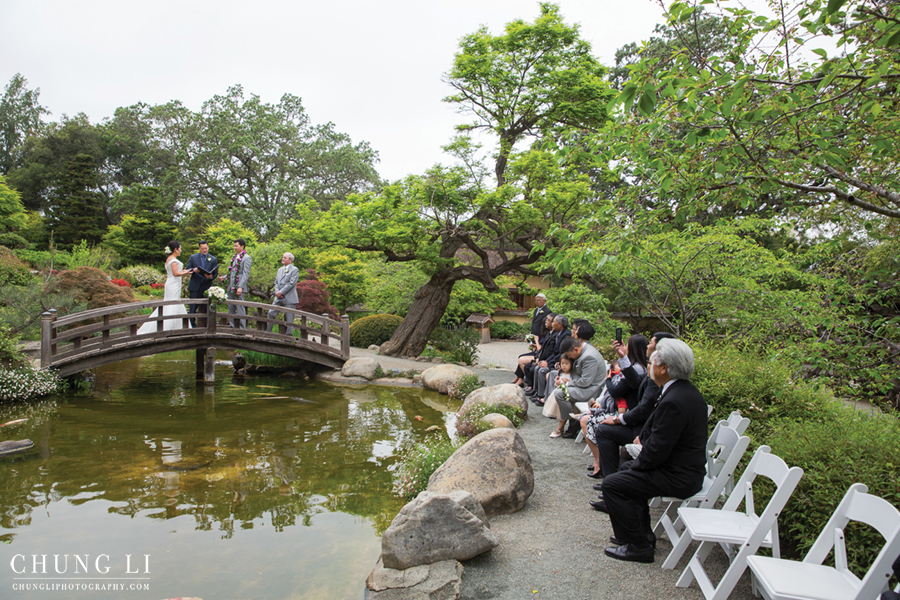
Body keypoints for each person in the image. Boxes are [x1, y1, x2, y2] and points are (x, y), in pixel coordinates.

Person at [598, 339, 709, 564]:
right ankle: (642, 536)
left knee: (613, 484)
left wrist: (635, 467)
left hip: (680, 476)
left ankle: (639, 547)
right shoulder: (681, 391)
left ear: (664, 368)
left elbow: (657, 450)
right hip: (681, 468)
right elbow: (661, 434)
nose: (648, 365)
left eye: (651, 362)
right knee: (627, 471)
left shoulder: (675, 400)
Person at [589, 332, 676, 480]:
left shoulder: (658, 379)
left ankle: (612, 483)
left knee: (604, 430)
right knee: (603, 429)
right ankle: (611, 481)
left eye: (651, 343)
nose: (647, 345)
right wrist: (623, 357)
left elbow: (644, 409)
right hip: (638, 424)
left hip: (641, 428)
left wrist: (618, 419)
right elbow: (636, 382)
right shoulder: (651, 371)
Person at [584, 334, 649, 478]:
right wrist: (622, 357)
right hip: (630, 417)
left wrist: (618, 419)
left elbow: (617, 391)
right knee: (599, 426)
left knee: (595, 423)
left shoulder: (640, 370)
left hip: (635, 423)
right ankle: (608, 478)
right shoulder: (639, 369)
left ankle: (607, 474)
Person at [552, 336, 607, 438]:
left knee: (559, 393)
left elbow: (585, 381)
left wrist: (567, 384)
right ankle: (568, 422)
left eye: (569, 355)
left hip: (591, 390)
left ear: (576, 349)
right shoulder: (583, 351)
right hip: (585, 386)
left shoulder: (589, 356)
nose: (570, 358)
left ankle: (573, 422)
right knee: (559, 389)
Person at [137, 241, 193, 334]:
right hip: (173, 284)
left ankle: (176, 326)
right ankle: (168, 327)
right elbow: (175, 274)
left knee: (173, 302)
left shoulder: (169, 259)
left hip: (172, 283)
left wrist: (183, 271)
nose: (180, 250)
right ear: (175, 249)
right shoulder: (174, 261)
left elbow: (174, 272)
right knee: (172, 303)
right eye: (180, 248)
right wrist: (186, 273)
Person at [512, 293, 552, 386]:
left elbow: (545, 327)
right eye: (537, 300)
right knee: (524, 356)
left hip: (540, 338)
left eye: (540, 300)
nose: (538, 302)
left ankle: (522, 379)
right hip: (535, 338)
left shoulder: (547, 311)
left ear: (544, 301)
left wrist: (539, 341)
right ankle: (519, 377)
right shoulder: (535, 311)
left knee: (524, 358)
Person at [184, 240, 218, 327]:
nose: (204, 250)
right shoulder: (193, 257)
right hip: (195, 285)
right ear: (199, 248)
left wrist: (211, 277)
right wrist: (194, 270)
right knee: (193, 307)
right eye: (202, 248)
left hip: (207, 286)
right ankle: (191, 325)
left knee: (207, 307)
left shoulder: (213, 259)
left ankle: (208, 325)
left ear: (208, 247)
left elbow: (215, 273)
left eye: (206, 248)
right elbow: (188, 269)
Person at [221, 239, 252, 329]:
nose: (234, 248)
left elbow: (246, 274)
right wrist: (224, 277)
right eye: (234, 246)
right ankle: (232, 325)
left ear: (242, 246)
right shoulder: (235, 257)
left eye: (236, 246)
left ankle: (242, 328)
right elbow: (232, 272)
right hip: (231, 285)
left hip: (239, 286)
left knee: (240, 307)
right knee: (231, 306)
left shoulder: (246, 258)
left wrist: (240, 287)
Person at [267, 252, 300, 335]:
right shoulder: (280, 270)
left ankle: (288, 336)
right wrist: (277, 292)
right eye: (283, 257)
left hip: (289, 297)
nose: (283, 259)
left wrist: (281, 292)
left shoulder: (295, 270)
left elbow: (291, 283)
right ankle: (268, 332)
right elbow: (276, 282)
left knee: (289, 318)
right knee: (271, 312)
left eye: (285, 258)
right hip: (278, 297)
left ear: (290, 260)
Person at [548, 354, 575, 437]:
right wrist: (557, 383)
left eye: (566, 363)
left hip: (566, 394)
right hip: (558, 393)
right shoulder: (561, 373)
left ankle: (559, 428)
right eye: (562, 363)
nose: (564, 365)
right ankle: (560, 428)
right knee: (560, 411)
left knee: (563, 411)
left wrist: (567, 382)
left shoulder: (572, 374)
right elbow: (557, 384)